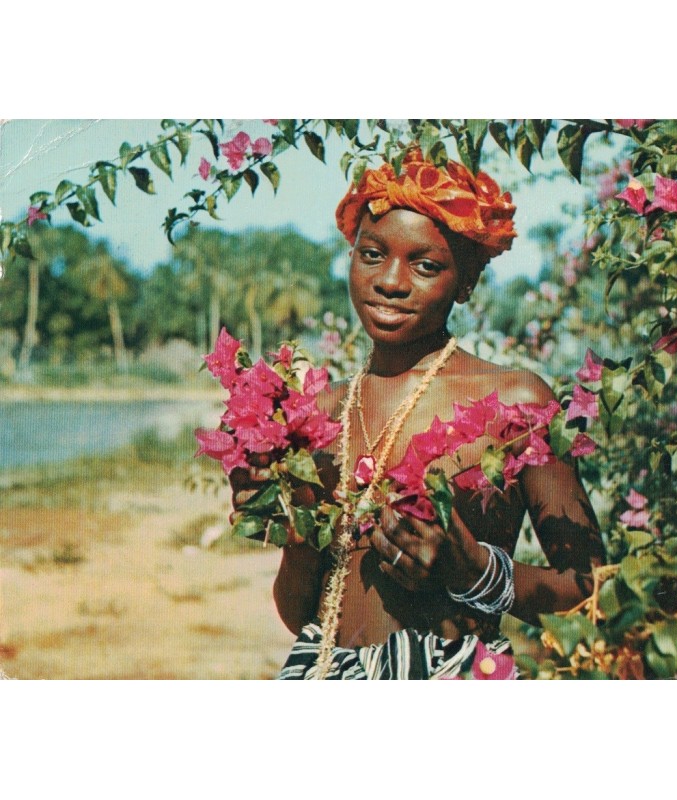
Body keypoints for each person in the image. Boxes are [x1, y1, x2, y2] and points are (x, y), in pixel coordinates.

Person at [232, 150, 605, 679]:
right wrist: (297, 531)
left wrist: (472, 569)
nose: (390, 281)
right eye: (371, 254)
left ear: (467, 281)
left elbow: (592, 586)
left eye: (425, 265)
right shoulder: (317, 412)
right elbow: (303, 616)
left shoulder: (515, 401)